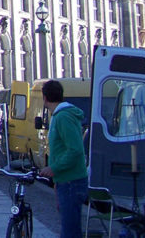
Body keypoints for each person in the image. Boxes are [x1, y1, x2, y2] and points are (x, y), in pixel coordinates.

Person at [39, 79, 87, 238]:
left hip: (70, 182)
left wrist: (54, 168)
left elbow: (75, 150)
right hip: (65, 181)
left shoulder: (63, 117)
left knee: (70, 232)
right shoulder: (59, 116)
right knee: (69, 229)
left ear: (45, 98)